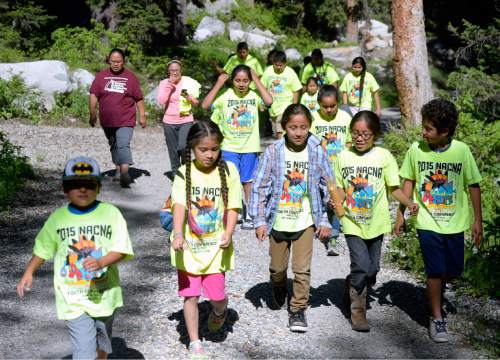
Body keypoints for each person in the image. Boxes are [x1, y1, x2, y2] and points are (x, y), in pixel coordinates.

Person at [17, 156, 134, 359]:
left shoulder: (111, 214)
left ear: (98, 187)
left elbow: (122, 249)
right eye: (75, 185)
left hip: (105, 294)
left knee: (103, 341)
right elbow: (43, 248)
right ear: (64, 188)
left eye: (89, 185)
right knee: (84, 353)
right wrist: (29, 271)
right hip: (73, 297)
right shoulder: (58, 218)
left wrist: (101, 262)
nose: (82, 190)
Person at [395, 99, 483, 343]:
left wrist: (478, 220)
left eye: (428, 129)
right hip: (427, 221)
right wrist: (400, 214)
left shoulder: (462, 151)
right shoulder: (416, 149)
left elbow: (473, 184)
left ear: (445, 131)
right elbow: (409, 181)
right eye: (423, 127)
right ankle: (436, 317)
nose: (423, 132)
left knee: (453, 270)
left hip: (455, 223)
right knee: (435, 271)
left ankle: (436, 293)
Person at [249, 104, 334, 333]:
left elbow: (329, 187)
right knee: (277, 268)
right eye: (293, 127)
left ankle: (297, 308)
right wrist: (259, 221)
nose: (298, 132)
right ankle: (278, 286)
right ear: (284, 126)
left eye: (303, 127)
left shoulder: (317, 150)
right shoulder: (274, 151)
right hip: (278, 220)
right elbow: (259, 186)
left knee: (302, 269)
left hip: (305, 219)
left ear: (309, 127)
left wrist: (325, 220)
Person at [333, 111, 418, 332]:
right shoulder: (343, 157)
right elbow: (339, 188)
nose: (360, 138)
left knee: (372, 270)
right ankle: (358, 312)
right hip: (352, 222)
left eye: (366, 134)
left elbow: (393, 188)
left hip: (377, 222)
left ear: (375, 135)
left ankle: (352, 284)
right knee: (360, 266)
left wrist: (408, 204)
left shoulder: (384, 156)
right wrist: (337, 202)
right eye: (356, 133)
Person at [170, 121, 242, 358]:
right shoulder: (184, 172)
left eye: (214, 149)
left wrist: (228, 232)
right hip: (189, 246)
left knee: (217, 296)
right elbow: (178, 204)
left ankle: (220, 312)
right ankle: (194, 342)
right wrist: (178, 233)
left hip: (215, 247)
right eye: (203, 149)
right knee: (190, 295)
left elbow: (233, 206)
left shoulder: (229, 170)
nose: (209, 155)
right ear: (192, 147)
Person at [202, 65, 273, 230]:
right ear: (232, 81)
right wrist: (219, 83)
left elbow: (269, 101)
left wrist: (257, 79)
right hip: (229, 146)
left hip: (249, 146)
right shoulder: (225, 96)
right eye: (238, 80)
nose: (241, 84)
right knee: (230, 181)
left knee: (248, 182)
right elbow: (205, 105)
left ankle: (248, 214)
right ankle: (235, 210)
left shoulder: (254, 96)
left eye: (245, 80)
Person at [89, 48, 146, 188]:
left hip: (126, 119)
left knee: (123, 144)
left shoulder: (131, 77)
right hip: (107, 120)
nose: (115, 64)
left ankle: (125, 173)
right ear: (108, 60)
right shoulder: (101, 76)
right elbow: (93, 95)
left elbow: (139, 98)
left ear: (123, 61)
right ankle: (118, 170)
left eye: (118, 61)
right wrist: (92, 113)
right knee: (113, 144)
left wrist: (142, 116)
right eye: (113, 61)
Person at [311, 85, 352, 256]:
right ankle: (319, 226)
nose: (329, 109)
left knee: (336, 202)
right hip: (319, 169)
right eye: (325, 106)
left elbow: (350, 141)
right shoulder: (313, 118)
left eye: (332, 106)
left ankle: (333, 238)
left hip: (339, 169)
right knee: (321, 201)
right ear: (318, 103)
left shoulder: (345, 118)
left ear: (338, 103)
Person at [157, 60, 201, 179]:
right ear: (168, 71)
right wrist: (170, 85)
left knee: (183, 146)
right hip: (169, 121)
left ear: (181, 71)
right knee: (173, 150)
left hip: (185, 120)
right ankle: (176, 175)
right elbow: (161, 101)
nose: (174, 72)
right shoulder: (164, 83)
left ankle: (186, 170)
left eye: (176, 70)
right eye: (172, 70)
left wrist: (189, 97)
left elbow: (196, 103)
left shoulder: (188, 83)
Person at [261, 50, 302, 139]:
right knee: (277, 132)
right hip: (272, 109)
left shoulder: (290, 72)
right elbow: (263, 88)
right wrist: (262, 103)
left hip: (285, 107)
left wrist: (294, 106)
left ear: (285, 64)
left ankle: (283, 150)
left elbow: (296, 90)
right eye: (276, 65)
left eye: (281, 65)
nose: (279, 67)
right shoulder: (268, 71)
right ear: (273, 63)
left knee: (280, 131)